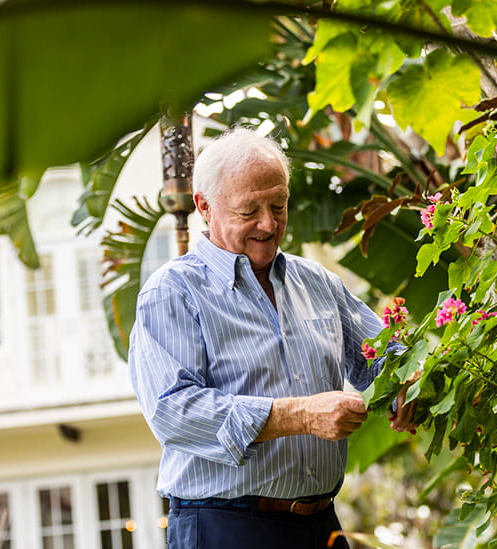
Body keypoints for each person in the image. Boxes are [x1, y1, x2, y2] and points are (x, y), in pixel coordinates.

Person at [128, 127, 418, 549]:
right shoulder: (172, 292)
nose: (269, 223)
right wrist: (300, 415)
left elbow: (385, 357)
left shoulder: (318, 282)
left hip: (322, 525)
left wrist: (406, 387)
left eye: (278, 205)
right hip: (225, 527)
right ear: (204, 206)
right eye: (249, 211)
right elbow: (174, 411)